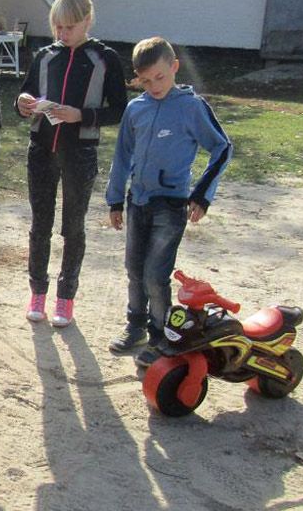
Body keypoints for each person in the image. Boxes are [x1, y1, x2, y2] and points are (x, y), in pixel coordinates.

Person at [105, 37, 232, 367]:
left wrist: (203, 194)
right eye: (145, 81)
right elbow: (122, 156)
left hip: (170, 205)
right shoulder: (136, 109)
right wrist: (115, 199)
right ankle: (136, 326)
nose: (154, 86)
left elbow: (222, 148)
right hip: (138, 202)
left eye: (160, 77)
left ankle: (162, 335)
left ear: (174, 67)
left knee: (154, 275)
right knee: (134, 269)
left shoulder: (191, 108)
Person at [15, 0, 128, 328]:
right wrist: (22, 103)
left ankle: (66, 297)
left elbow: (119, 110)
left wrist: (82, 115)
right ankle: (37, 292)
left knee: (72, 227)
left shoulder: (104, 58)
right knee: (40, 225)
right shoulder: (45, 56)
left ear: (87, 21)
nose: (62, 34)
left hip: (80, 154)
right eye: (57, 28)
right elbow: (25, 96)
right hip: (41, 151)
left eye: (69, 27)